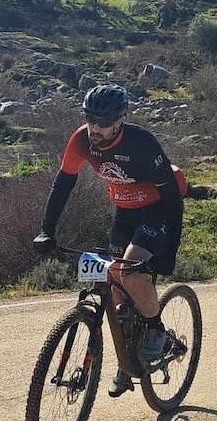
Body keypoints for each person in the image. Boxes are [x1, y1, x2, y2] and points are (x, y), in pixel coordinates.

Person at [34, 84, 185, 397]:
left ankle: (156, 328)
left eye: (103, 123)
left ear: (120, 120)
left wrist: (170, 248)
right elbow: (62, 185)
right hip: (125, 212)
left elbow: (172, 197)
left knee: (130, 270)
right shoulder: (80, 140)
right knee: (114, 283)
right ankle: (126, 356)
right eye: (91, 121)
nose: (96, 129)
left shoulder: (142, 142)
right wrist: (46, 229)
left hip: (156, 211)